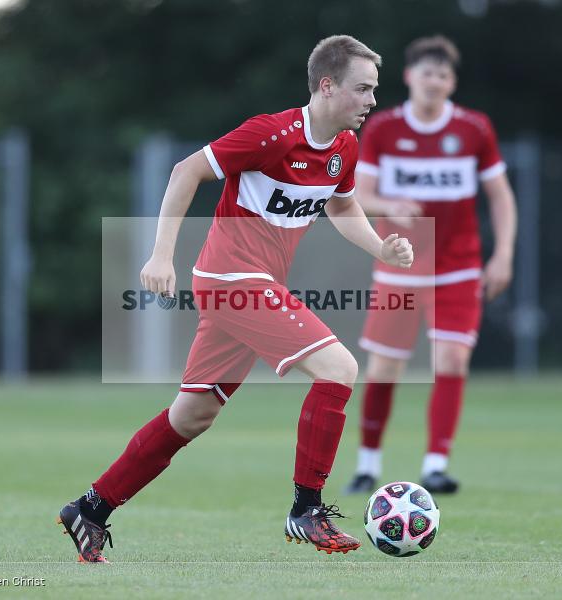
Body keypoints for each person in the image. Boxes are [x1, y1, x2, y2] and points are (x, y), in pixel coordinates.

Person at [57, 35, 414, 563]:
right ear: (327, 85)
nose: (371, 101)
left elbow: (341, 209)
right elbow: (186, 171)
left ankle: (90, 508)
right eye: (363, 89)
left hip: (250, 286)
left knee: (191, 416)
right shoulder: (271, 134)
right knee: (339, 368)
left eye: (374, 91)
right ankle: (306, 509)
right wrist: (161, 256)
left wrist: (380, 247)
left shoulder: (343, 149)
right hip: (233, 281)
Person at [343, 35, 517, 496]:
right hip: (400, 266)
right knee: (384, 368)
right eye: (426, 73)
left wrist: (503, 255)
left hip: (458, 267)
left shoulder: (474, 128)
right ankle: (367, 464)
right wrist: (389, 203)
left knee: (451, 359)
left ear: (452, 82)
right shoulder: (381, 128)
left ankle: (436, 464)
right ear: (409, 77)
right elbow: (359, 194)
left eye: (443, 74)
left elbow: (501, 196)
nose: (434, 81)